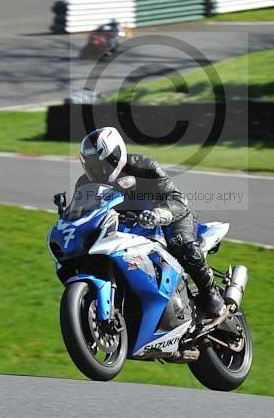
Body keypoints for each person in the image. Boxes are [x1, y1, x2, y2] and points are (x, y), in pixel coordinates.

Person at [76, 126, 226, 318]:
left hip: (167, 219)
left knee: (181, 243)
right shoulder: (84, 184)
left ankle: (210, 293)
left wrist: (158, 214)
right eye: (92, 167)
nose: (98, 171)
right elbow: (81, 214)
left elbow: (178, 200)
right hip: (123, 229)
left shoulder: (144, 167)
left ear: (116, 155)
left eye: (102, 164)